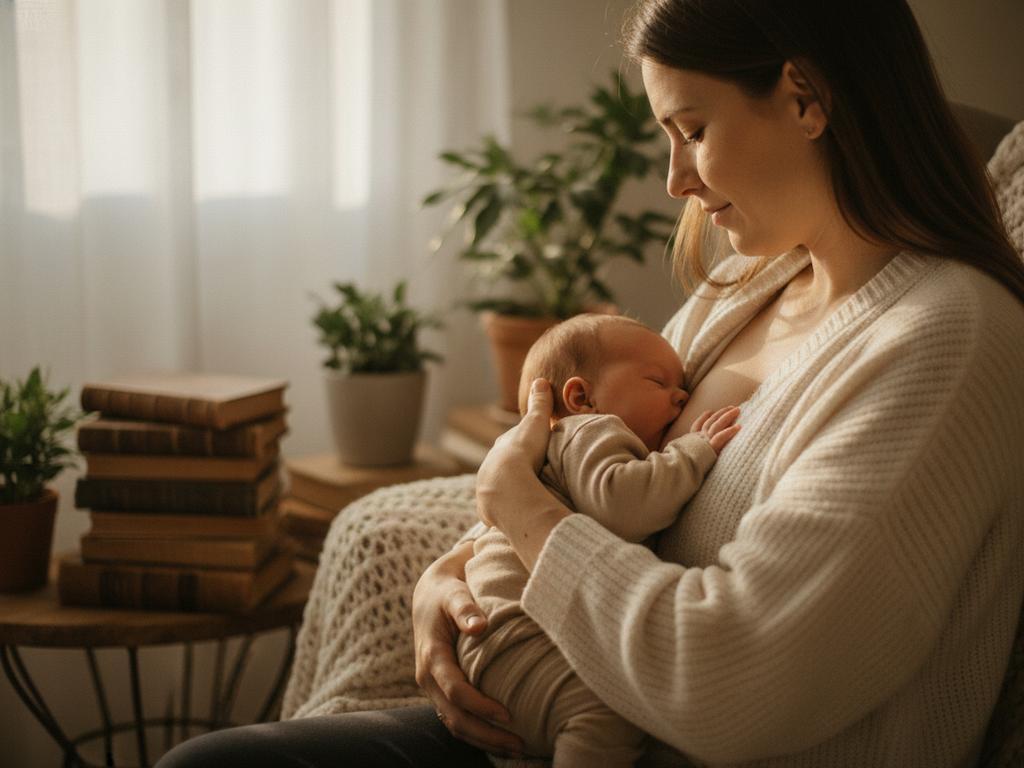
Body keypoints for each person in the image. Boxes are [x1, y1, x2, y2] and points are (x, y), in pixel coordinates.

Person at [157, 1, 1024, 766]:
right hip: (560, 717)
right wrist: (446, 580)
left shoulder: (948, 340)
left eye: (692, 130)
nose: (676, 180)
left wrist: (520, 511)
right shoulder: (753, 285)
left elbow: (729, 679)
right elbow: (572, 483)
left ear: (805, 98)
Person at [457, 313, 740, 766]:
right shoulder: (592, 429)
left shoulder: (564, 449)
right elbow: (622, 505)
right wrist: (692, 450)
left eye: (681, 386)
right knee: (605, 718)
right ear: (581, 396)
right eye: (658, 381)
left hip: (500, 638)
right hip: (519, 634)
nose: (682, 394)